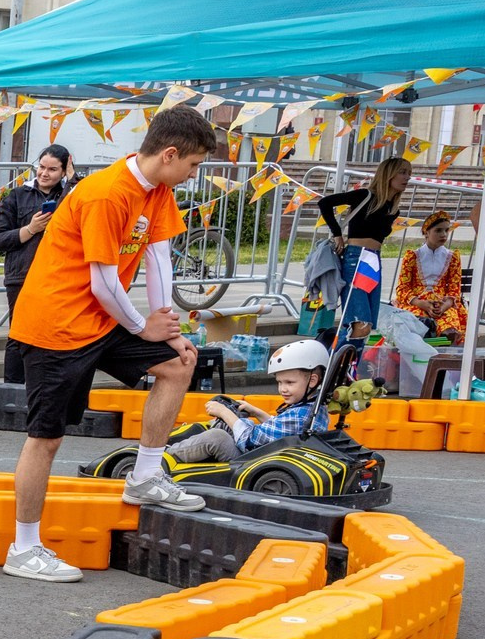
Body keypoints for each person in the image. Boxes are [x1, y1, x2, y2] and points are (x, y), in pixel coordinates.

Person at [2, 106, 219, 585]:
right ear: (169, 154)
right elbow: (103, 280)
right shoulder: (105, 193)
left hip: (104, 319)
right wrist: (144, 326)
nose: (194, 174)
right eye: (194, 164)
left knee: (179, 363)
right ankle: (24, 546)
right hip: (55, 325)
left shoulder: (157, 190)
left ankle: (144, 477)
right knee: (47, 437)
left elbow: (159, 258)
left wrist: (169, 330)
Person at [162, 339, 330, 465]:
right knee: (231, 424)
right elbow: (281, 432)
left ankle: (165, 456)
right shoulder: (311, 408)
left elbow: (249, 439)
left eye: (289, 383)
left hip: (253, 462)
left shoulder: (300, 415)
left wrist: (224, 413)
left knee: (217, 437)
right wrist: (256, 412)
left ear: (313, 380)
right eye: (279, 382)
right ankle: (175, 444)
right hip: (269, 455)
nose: (282, 389)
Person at [0, 145, 76, 386]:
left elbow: (82, 196)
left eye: (52, 169)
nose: (44, 173)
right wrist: (30, 229)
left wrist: (72, 177)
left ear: (63, 170)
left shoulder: (69, 195)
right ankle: (13, 387)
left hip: (58, 276)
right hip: (22, 274)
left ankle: (43, 389)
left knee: (53, 336)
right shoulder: (17, 196)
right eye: (41, 167)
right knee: (18, 334)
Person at [316, 155, 411, 334]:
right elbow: (325, 203)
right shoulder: (365, 196)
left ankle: (346, 358)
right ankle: (336, 357)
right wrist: (337, 235)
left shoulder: (393, 209)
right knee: (360, 323)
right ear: (388, 174)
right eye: (402, 172)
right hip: (356, 257)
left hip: (373, 260)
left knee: (365, 325)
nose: (407, 177)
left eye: (409, 173)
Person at [393, 211, 468, 341]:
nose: (443, 235)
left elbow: (454, 289)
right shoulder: (412, 256)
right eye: (438, 230)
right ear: (426, 232)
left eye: (446, 230)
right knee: (417, 321)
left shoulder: (452, 257)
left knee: (450, 326)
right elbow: (402, 289)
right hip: (416, 303)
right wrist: (421, 303)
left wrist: (444, 306)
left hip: (443, 304)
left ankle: (445, 350)